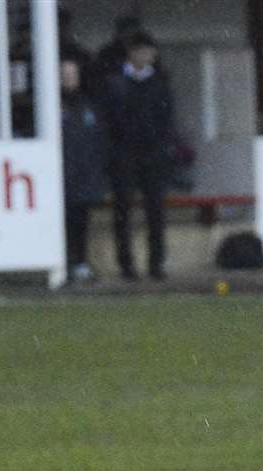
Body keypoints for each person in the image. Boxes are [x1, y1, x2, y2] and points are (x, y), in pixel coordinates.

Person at [101, 32, 175, 282]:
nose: (146, 56)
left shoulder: (160, 83)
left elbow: (167, 120)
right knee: (123, 212)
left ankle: (156, 263)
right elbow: (109, 121)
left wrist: (161, 147)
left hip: (153, 156)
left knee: (156, 211)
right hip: (125, 156)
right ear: (131, 53)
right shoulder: (115, 83)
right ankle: (127, 265)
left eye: (149, 52)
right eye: (141, 51)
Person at [60, 56, 108, 284]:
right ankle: (66, 264)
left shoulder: (87, 104)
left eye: (72, 74)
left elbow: (97, 139)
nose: (69, 79)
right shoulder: (51, 104)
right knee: (64, 223)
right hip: (62, 177)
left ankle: (80, 263)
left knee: (81, 222)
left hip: (83, 176)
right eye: (64, 75)